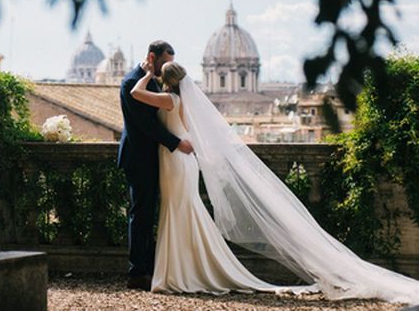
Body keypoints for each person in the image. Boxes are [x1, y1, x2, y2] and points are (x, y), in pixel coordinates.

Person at [130, 60, 419, 304]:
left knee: (179, 211)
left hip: (176, 163)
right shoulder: (184, 101)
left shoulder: (170, 99)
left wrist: (146, 74)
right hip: (180, 162)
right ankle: (185, 269)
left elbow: (134, 92)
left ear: (166, 81)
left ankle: (178, 271)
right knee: (183, 211)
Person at [117, 40, 194, 291]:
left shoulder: (155, 82)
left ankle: (153, 267)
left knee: (151, 213)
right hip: (139, 158)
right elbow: (145, 125)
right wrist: (175, 143)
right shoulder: (132, 82)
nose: (167, 69)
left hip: (158, 158)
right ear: (152, 57)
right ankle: (137, 272)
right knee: (141, 214)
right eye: (164, 63)